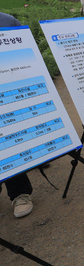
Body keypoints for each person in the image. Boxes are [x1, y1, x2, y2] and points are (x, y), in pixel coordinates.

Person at [0, 11, 34, 218]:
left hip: (8, 92)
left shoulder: (7, 21)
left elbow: (27, 54)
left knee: (10, 141)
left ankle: (20, 193)